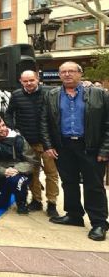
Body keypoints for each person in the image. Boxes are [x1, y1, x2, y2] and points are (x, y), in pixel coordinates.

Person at [40, 61, 109, 241]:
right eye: (63, 72)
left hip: (91, 147)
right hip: (63, 147)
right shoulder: (52, 95)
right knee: (68, 182)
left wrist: (105, 149)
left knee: (93, 185)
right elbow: (45, 122)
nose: (67, 74)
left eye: (72, 71)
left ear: (80, 73)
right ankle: (74, 215)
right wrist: (48, 145)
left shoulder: (99, 94)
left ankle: (99, 223)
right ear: (59, 75)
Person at [4, 70, 59, 217]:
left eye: (31, 80)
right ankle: (36, 200)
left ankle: (52, 203)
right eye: (25, 81)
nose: (29, 83)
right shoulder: (16, 95)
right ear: (21, 81)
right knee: (32, 173)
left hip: (47, 143)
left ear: (38, 79)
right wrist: (12, 128)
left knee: (51, 174)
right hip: (27, 143)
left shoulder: (50, 92)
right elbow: (9, 113)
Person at [0, 113, 36, 214]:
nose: (2, 128)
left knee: (16, 181)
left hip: (18, 172)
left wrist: (17, 169)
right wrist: (4, 171)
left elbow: (31, 161)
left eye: (3, 125)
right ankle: (6, 191)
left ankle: (21, 203)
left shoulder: (19, 139)